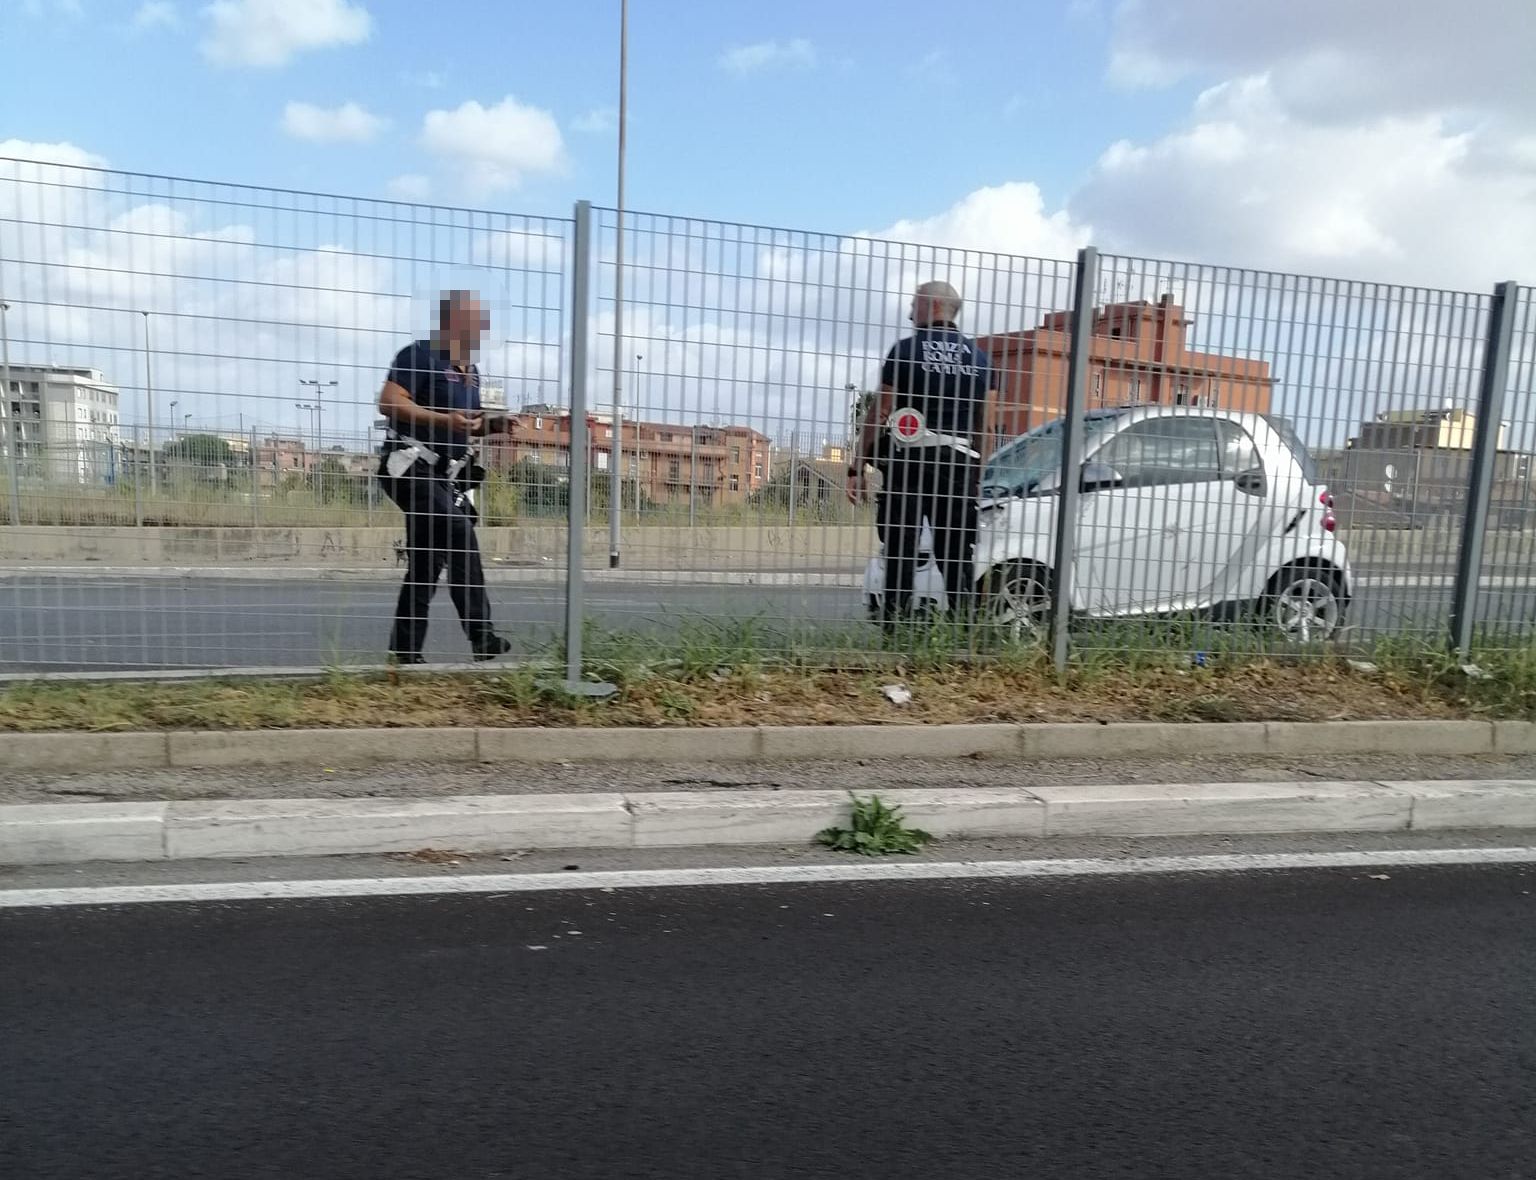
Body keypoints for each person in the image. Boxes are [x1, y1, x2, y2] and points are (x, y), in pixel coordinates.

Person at [376, 289, 516, 664]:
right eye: (474, 320)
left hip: (443, 478)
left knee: (427, 560)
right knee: (459, 531)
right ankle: (481, 635)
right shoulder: (419, 355)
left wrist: (493, 425)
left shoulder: (470, 374)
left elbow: (465, 425)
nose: (481, 328)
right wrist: (442, 419)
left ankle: (403, 654)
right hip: (408, 467)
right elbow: (389, 401)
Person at [848, 280, 994, 628]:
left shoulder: (904, 351)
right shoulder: (980, 359)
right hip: (957, 466)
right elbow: (985, 427)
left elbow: (881, 411)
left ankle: (896, 632)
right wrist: (978, 477)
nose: (911, 312)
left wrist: (858, 465)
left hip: (908, 464)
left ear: (932, 306)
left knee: (900, 550)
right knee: (956, 554)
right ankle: (964, 635)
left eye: (915, 304)